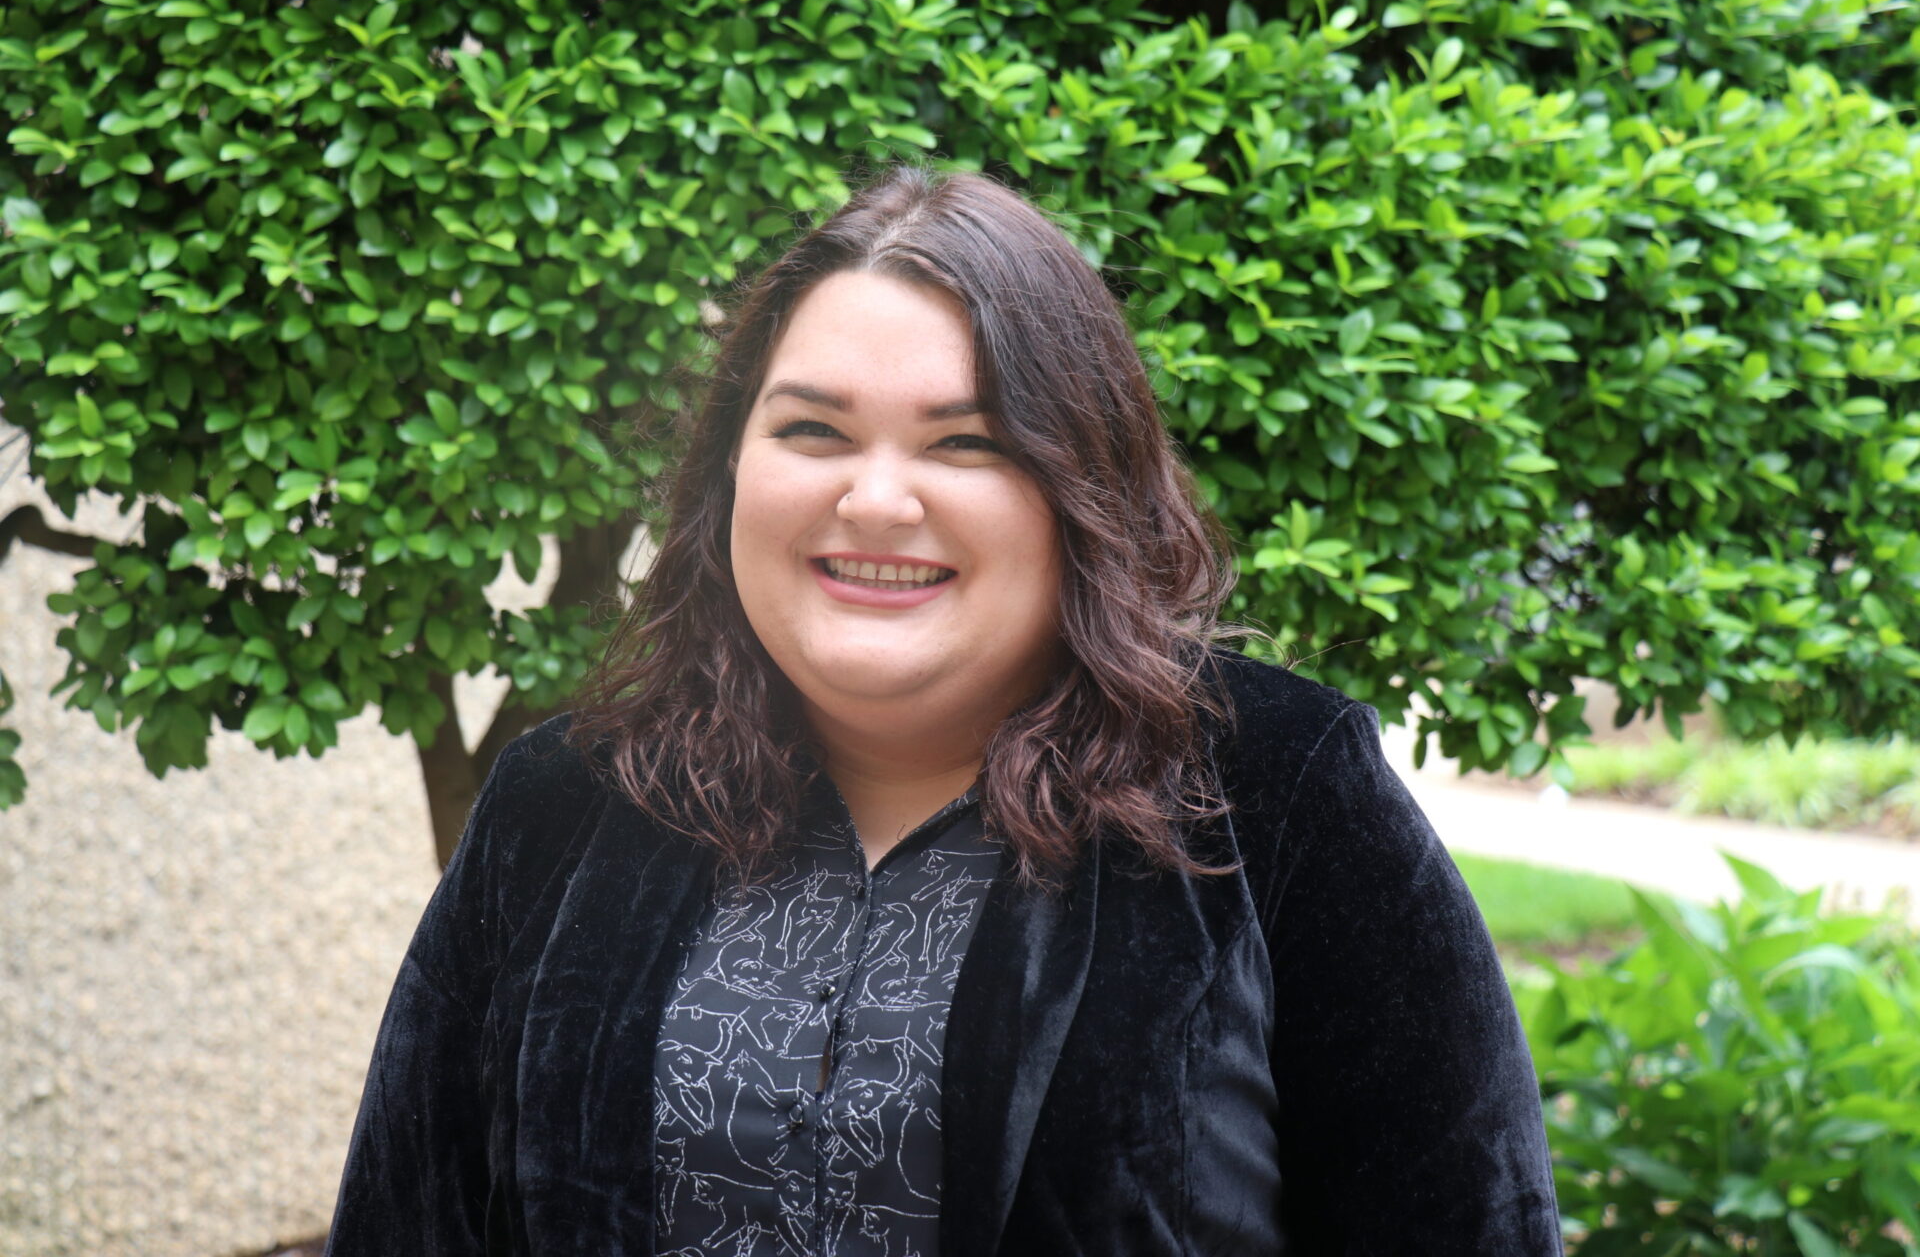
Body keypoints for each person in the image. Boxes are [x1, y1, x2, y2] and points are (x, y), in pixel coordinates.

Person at [323, 165, 1562, 1255]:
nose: (874, 499)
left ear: (1082, 484)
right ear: (729, 474)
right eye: (812, 427)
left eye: (964, 442)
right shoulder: (566, 804)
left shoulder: (1280, 795)